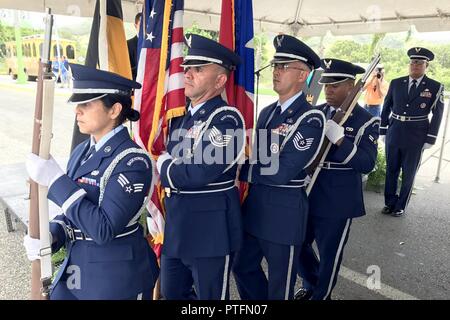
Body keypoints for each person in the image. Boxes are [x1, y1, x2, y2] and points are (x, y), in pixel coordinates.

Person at [23, 63, 159, 300]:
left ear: (114, 110)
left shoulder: (132, 161)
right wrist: (51, 235)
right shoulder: (82, 151)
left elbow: (103, 229)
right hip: (76, 269)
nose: (77, 111)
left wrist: (56, 180)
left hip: (115, 277)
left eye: (86, 104)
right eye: (78, 104)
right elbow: (72, 213)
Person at [232, 34, 326, 300]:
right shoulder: (268, 112)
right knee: (243, 267)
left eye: (285, 67)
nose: (276, 71)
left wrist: (242, 171)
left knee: (280, 284)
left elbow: (283, 170)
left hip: (283, 213)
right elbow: (262, 157)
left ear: (302, 75)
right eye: (275, 66)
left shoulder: (311, 117)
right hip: (256, 207)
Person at [155, 34, 245, 300]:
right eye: (188, 68)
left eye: (198, 69)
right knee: (173, 294)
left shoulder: (227, 119)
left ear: (220, 80)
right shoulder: (182, 116)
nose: (188, 74)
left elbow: (197, 173)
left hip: (209, 231)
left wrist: (163, 164)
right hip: (177, 227)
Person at [294, 58, 380, 300]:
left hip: (337, 198)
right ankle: (311, 283)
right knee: (297, 243)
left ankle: (321, 296)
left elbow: (366, 163)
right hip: (308, 190)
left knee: (330, 254)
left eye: (335, 85)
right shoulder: (317, 112)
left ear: (351, 86)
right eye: (326, 85)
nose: (328, 90)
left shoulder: (366, 120)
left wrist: (342, 141)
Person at [380, 47, 445, 217]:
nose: (415, 65)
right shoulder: (396, 82)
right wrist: (383, 129)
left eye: (419, 62)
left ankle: (401, 205)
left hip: (416, 135)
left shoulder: (435, 86)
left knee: (408, 173)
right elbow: (386, 107)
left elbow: (438, 114)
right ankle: (389, 203)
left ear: (426, 65)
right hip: (395, 132)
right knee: (391, 170)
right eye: (413, 62)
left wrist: (431, 138)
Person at [127, 12, 142, 80]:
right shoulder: (128, 45)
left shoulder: (155, 45)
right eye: (141, 26)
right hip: (135, 85)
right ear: (135, 26)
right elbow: (127, 68)